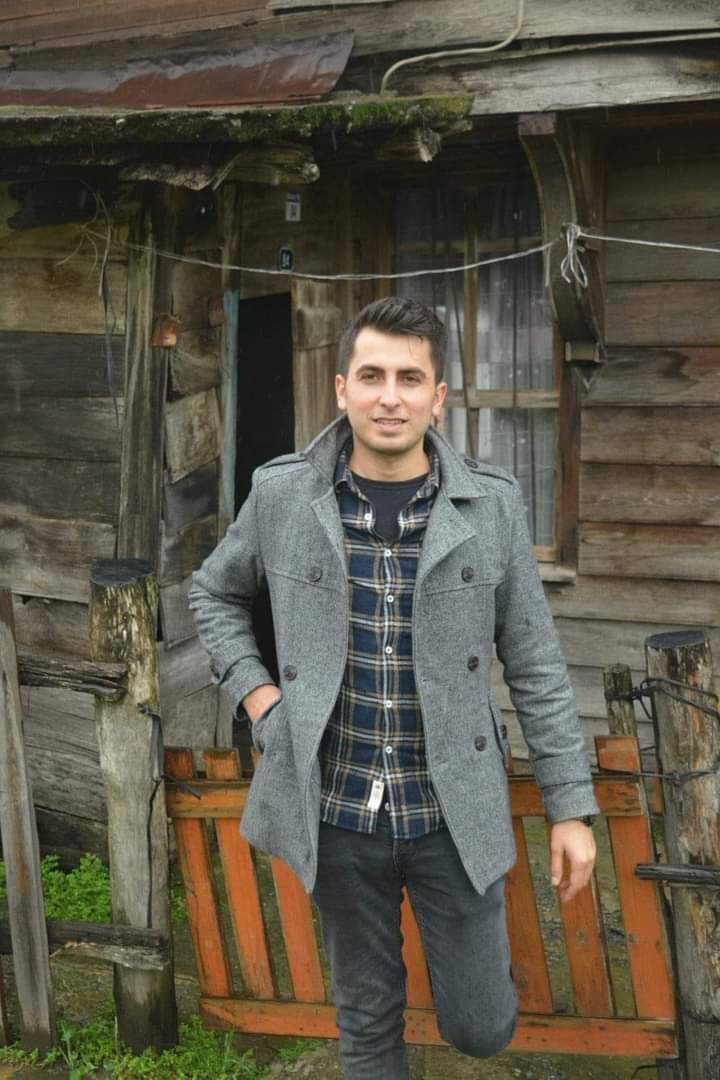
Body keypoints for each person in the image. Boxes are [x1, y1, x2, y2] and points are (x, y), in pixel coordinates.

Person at [189, 296, 598, 1079]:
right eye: (372, 375)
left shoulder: (492, 506)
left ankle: (475, 1007)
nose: (390, 396)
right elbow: (213, 593)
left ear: (438, 397)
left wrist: (570, 809)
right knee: (367, 1018)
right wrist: (261, 701)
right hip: (337, 810)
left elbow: (537, 662)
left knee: (481, 1027)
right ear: (341, 388)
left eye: (410, 379)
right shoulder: (283, 496)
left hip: (452, 809)